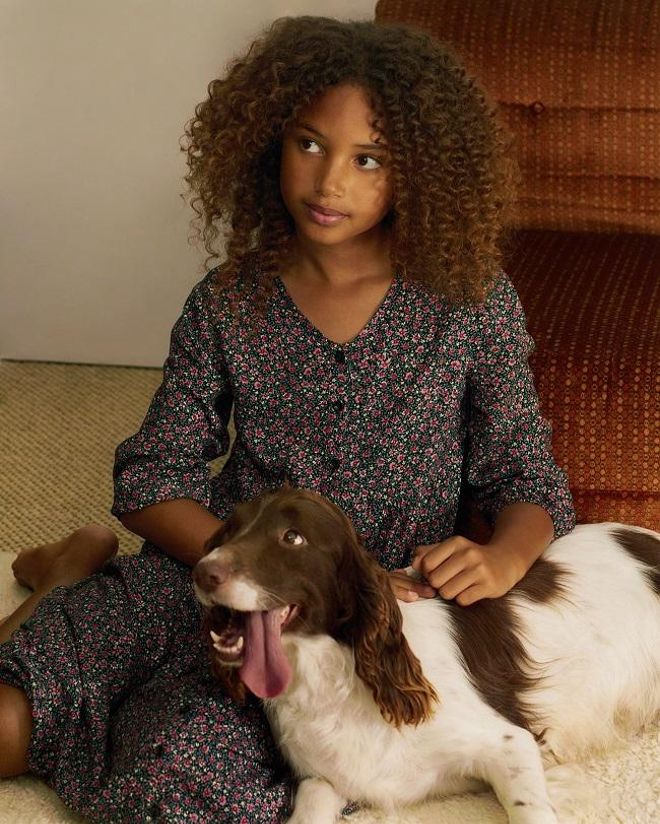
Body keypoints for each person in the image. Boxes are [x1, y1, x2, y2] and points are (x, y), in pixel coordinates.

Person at [0, 15, 575, 823]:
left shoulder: (470, 304)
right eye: (310, 144)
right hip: (197, 579)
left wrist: (506, 558)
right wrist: (243, 570)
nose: (329, 180)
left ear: (421, 175)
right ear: (270, 142)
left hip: (340, 628)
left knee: (183, 785)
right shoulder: (230, 303)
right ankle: (71, 575)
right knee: (6, 724)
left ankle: (73, 588)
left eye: (368, 159)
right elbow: (150, 480)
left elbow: (526, 480)